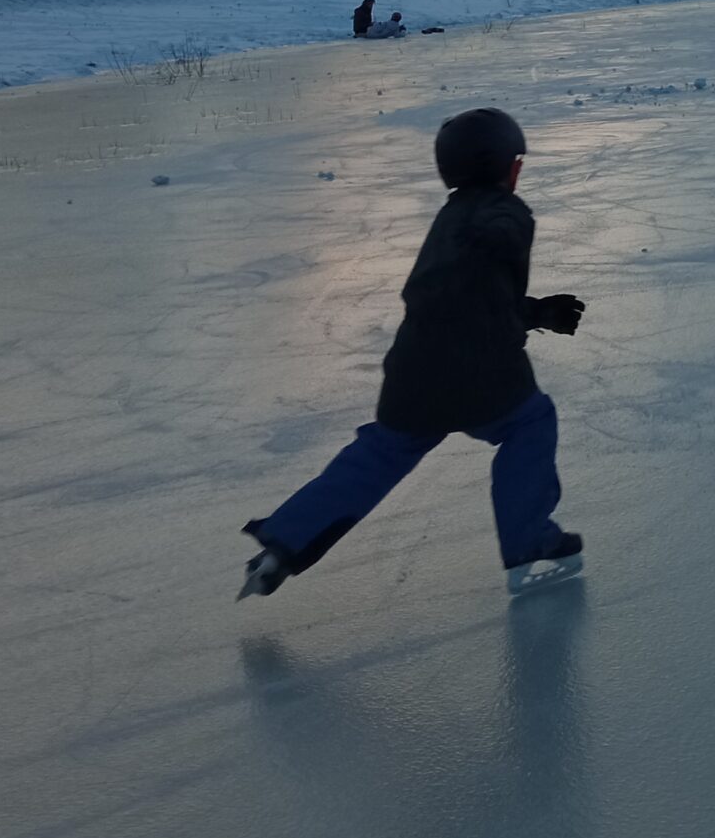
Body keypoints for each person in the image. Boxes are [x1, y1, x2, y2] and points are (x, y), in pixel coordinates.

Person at [239, 108, 588, 599]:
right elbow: (492, 249)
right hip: (481, 372)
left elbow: (467, 292)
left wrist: (535, 312)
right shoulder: (502, 213)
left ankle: (282, 544)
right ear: (508, 168)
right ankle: (529, 542)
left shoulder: (450, 217)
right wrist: (505, 238)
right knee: (530, 423)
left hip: (414, 370)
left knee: (381, 452)